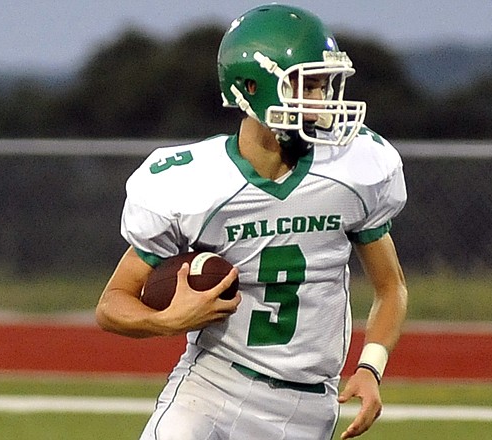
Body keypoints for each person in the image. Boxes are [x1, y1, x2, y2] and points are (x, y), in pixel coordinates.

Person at [95, 4, 408, 439]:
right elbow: (112, 303)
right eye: (307, 85)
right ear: (251, 87)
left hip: (311, 404)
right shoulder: (194, 183)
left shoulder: (352, 167)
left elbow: (391, 288)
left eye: (325, 85)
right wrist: (168, 321)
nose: (322, 101)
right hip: (213, 387)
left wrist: (371, 367)